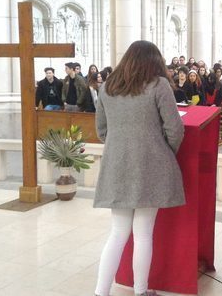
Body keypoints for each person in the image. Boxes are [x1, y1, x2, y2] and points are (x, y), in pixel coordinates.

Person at [93, 41, 185, 296]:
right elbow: (175, 129)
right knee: (143, 233)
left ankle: (101, 292)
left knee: (118, 232)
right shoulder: (159, 85)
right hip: (150, 165)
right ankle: (141, 291)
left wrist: (120, 147)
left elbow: (101, 130)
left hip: (116, 164)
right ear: (154, 61)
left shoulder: (106, 87)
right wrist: (163, 152)